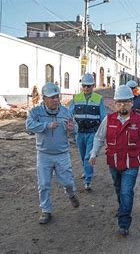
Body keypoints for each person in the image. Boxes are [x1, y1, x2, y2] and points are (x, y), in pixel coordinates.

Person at [89, 85, 140, 236]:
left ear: (132, 102)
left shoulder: (139, 120)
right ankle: (123, 207)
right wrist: (93, 154)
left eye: (125, 102)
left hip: (131, 163)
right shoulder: (109, 120)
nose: (122, 105)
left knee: (126, 191)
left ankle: (124, 222)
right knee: (118, 189)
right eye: (119, 102)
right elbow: (99, 138)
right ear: (114, 103)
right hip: (114, 162)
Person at [26, 82, 80, 225]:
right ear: (44, 98)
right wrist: (45, 126)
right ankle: (46, 210)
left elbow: (75, 128)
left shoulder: (65, 112)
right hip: (44, 154)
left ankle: (71, 194)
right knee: (44, 184)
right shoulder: (36, 112)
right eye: (52, 97)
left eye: (57, 96)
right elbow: (29, 125)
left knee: (67, 181)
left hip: (62, 153)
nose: (56, 100)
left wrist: (71, 128)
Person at [69, 73, 107, 191]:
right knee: (82, 155)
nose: (86, 88)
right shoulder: (76, 98)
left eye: (89, 86)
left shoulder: (98, 99)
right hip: (79, 133)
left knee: (88, 157)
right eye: (84, 86)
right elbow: (69, 114)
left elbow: (103, 116)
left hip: (92, 133)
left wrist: (104, 133)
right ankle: (87, 171)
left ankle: (88, 180)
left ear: (93, 86)